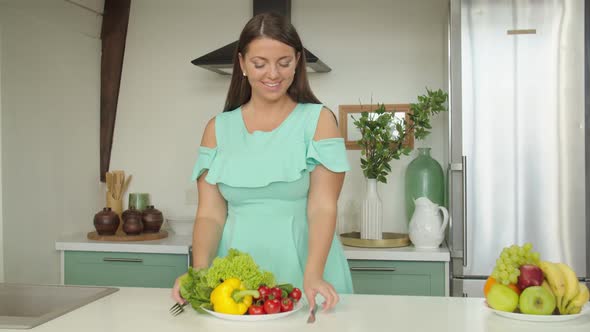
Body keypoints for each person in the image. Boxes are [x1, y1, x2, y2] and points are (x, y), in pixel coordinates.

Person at [172, 12, 353, 312]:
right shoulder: (217, 129)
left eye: (284, 63)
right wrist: (199, 271)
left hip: (307, 267)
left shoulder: (318, 121)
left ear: (297, 61)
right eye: (260, 64)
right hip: (234, 276)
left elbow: (323, 206)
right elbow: (210, 214)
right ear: (242, 64)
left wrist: (313, 273)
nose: (273, 74)